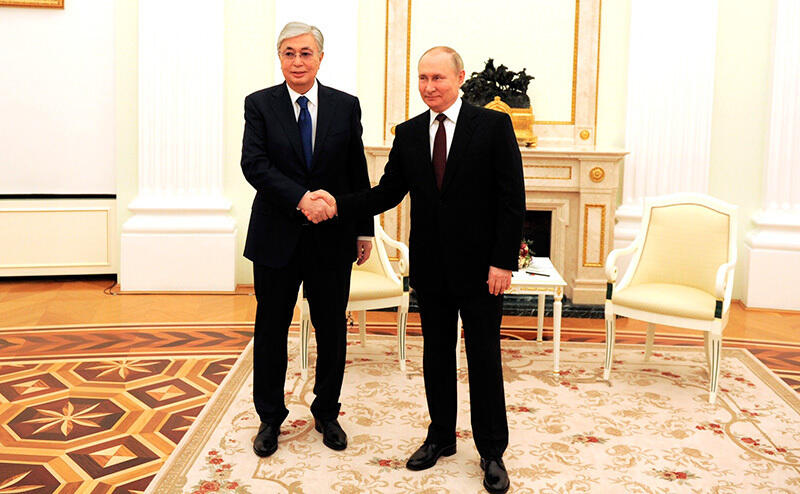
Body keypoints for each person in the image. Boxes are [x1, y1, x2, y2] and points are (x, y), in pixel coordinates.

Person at [309, 46, 524, 494]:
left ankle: (491, 451)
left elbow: (511, 199)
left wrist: (503, 261)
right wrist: (339, 204)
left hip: (482, 271)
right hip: (432, 269)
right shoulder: (408, 133)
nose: (429, 87)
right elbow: (386, 192)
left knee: (483, 359)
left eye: (438, 78)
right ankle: (441, 436)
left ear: (459, 78)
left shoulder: (492, 126)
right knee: (436, 356)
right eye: (423, 78)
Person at [240, 21, 373, 458]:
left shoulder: (345, 105)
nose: (297, 61)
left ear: (320, 57)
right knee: (271, 330)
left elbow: (356, 170)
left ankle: (327, 412)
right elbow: (254, 165)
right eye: (289, 53)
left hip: (332, 238)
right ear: (279, 57)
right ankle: (270, 418)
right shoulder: (259, 104)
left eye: (305, 53)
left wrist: (364, 228)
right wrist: (302, 199)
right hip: (276, 237)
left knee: (332, 330)